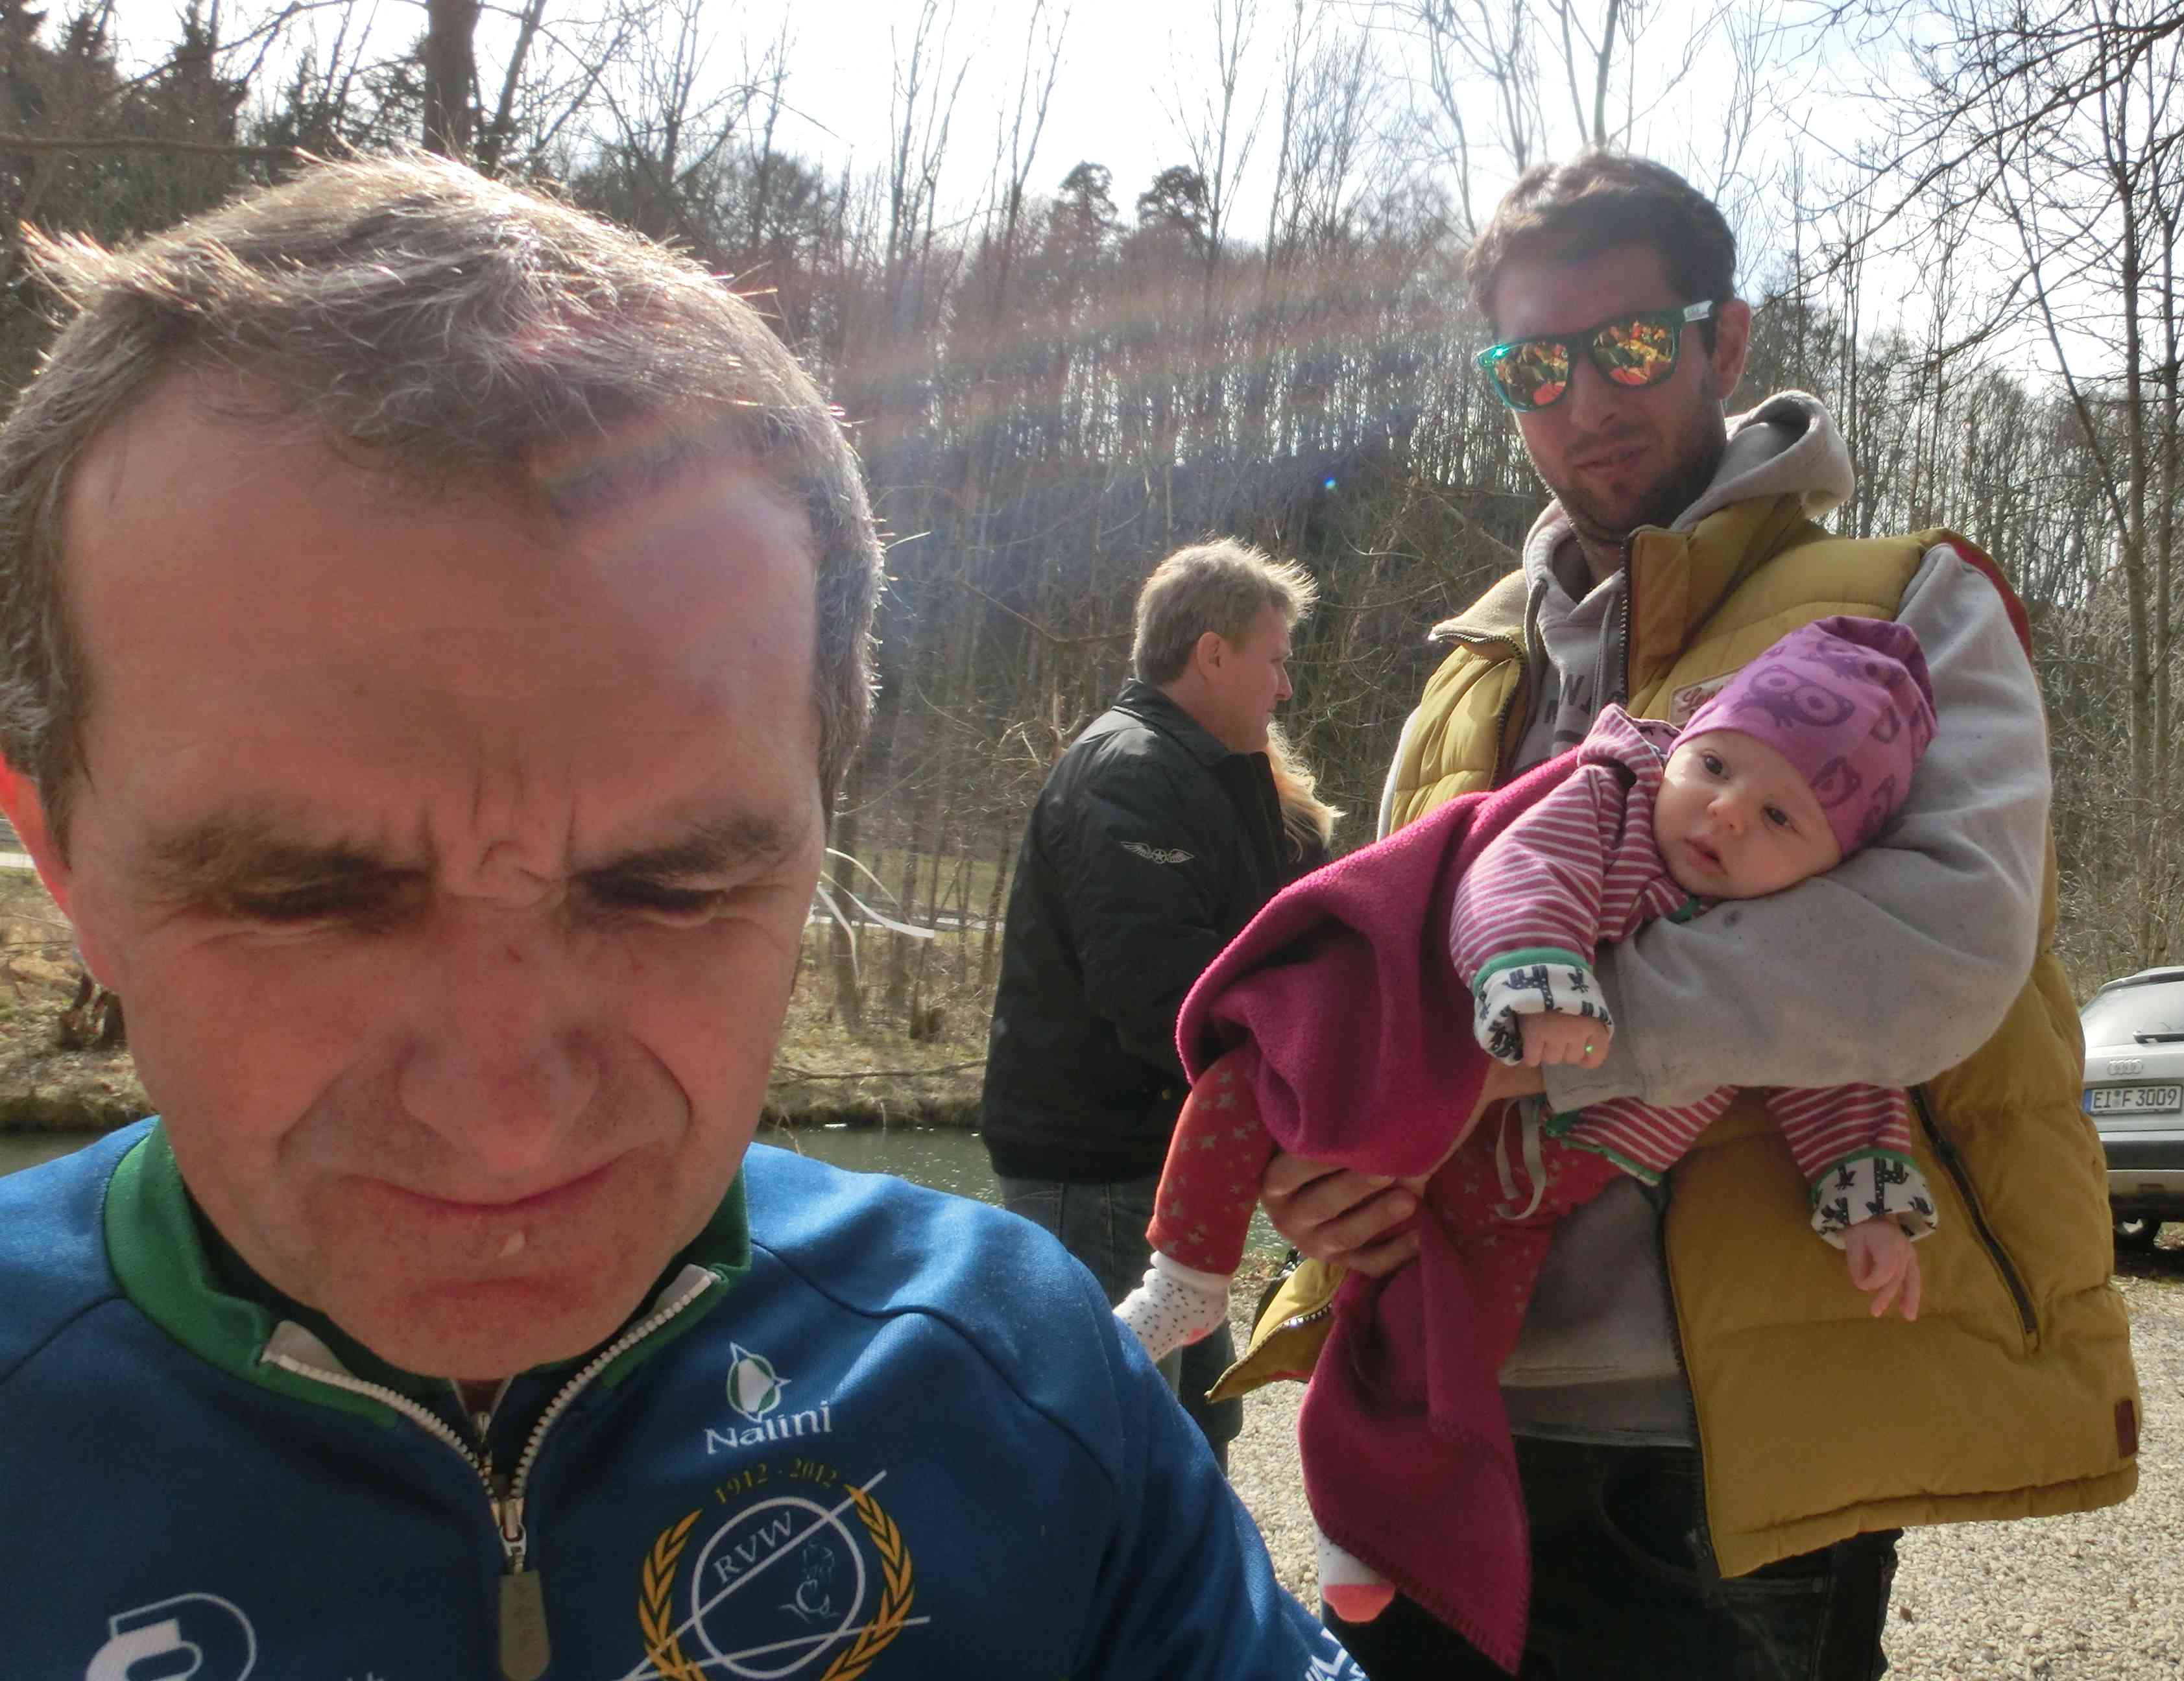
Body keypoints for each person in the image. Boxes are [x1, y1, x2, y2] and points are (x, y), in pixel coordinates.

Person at [0, 158, 1356, 1680]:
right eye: (299, 899)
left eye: (672, 889)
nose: (506, 1118)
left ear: (818, 831)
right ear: (63, 861)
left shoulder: (1016, 1371)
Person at [1220, 152, 2144, 1679]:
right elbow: (1363, 986)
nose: (1586, 400)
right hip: (1441, 1408)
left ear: (1727, 340)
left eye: (1632, 345)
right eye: (1536, 367)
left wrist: (1531, 1056)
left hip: (1717, 1469)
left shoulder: (1903, 605)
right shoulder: (1473, 665)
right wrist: (1323, 1179)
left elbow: (1944, 949)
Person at [1115, 617, 1943, 1658]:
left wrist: (1866, 1203)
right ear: (1683, 741)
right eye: (1717, 767)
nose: (1727, 811)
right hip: (1429, 1070)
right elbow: (1512, 872)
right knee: (1248, 1082)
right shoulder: (1611, 799)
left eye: (1779, 815)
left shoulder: (1799, 936)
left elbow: (1835, 1063)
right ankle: (1189, 1275)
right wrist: (1535, 974)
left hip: (1537, 1197)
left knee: (1444, 1354)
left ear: (1833, 861)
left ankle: (1369, 1528)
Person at [979, 537, 1323, 1467]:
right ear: (1212, 654)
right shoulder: (1127, 771)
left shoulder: (1211, 777)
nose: (1285, 687)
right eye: (1275, 660)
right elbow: (1162, 994)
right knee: (1110, 1445)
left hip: (1162, 1163)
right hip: (1095, 1170)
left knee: (1197, 1430)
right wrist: (1302, 1087)